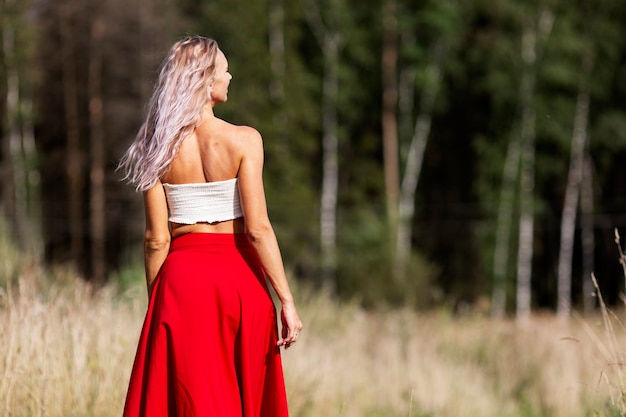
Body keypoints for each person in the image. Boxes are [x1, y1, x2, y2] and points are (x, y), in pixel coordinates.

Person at [118, 35, 303, 417]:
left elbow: (156, 240)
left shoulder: (154, 147)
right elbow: (258, 230)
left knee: (189, 399)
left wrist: (160, 300)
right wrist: (286, 300)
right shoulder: (244, 140)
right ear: (204, 79)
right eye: (224, 69)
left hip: (181, 285)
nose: (230, 76)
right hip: (240, 282)